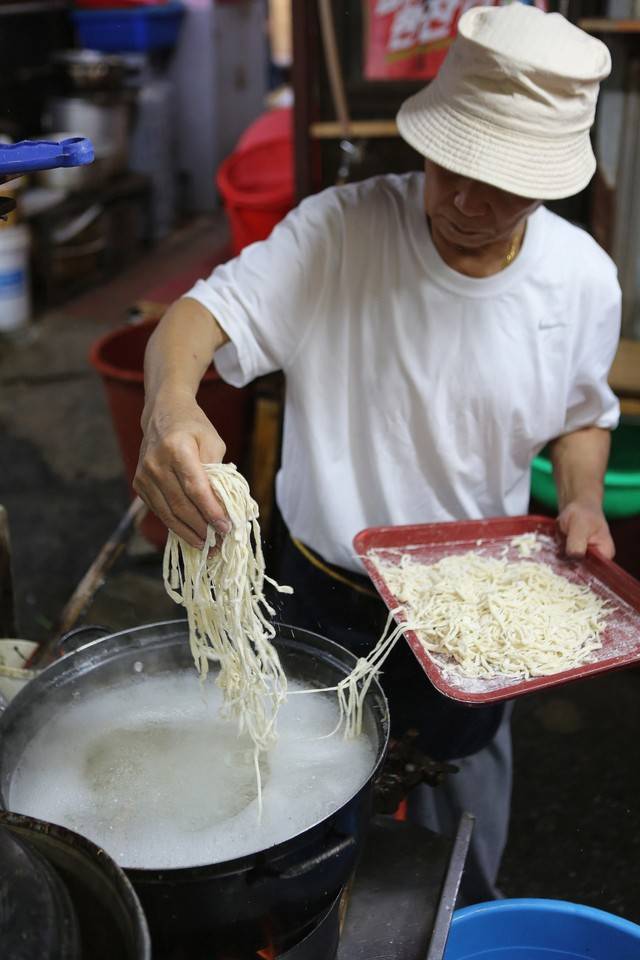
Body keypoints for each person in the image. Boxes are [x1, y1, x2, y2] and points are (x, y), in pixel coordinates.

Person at [134, 4, 620, 903]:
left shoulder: (583, 278)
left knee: (458, 817)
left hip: (480, 608)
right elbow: (198, 319)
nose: (467, 202)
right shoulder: (340, 233)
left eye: (503, 186)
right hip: (326, 591)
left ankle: (461, 920)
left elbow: (583, 415)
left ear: (551, 181)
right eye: (452, 166)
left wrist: (582, 498)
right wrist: (169, 407)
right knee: (304, 813)